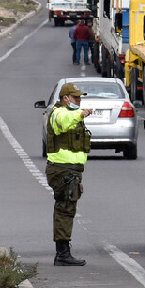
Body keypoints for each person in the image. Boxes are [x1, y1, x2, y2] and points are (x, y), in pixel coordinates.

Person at [44, 82, 93, 266]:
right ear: (65, 99)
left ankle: (63, 252)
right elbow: (64, 122)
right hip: (62, 170)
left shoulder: (69, 113)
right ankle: (62, 254)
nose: (79, 101)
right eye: (75, 97)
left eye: (80, 98)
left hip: (69, 170)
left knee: (66, 209)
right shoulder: (59, 113)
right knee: (65, 209)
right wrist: (81, 113)